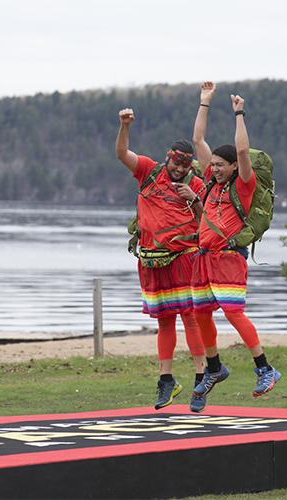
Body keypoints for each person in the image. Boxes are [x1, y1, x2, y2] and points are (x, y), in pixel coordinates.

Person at [189, 82, 282, 413]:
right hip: (204, 259)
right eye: (212, 164)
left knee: (233, 312)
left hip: (229, 258)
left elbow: (242, 151)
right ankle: (215, 368)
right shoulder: (211, 184)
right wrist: (205, 102)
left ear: (231, 168)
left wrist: (239, 113)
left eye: (219, 165)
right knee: (199, 313)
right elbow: (198, 140)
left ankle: (265, 368)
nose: (213, 168)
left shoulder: (242, 185)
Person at [116, 107, 207, 410]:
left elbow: (208, 220)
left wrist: (192, 199)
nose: (179, 170)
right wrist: (124, 126)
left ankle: (200, 378)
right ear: (167, 158)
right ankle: (166, 380)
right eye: (175, 164)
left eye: (184, 166)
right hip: (152, 260)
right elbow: (121, 153)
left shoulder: (195, 185)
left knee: (190, 319)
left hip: (184, 257)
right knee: (164, 321)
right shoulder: (149, 171)